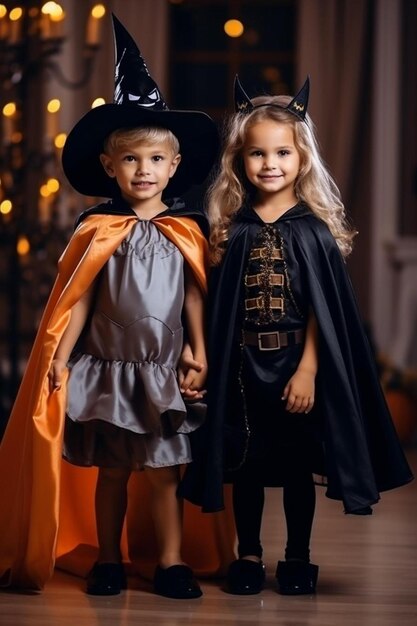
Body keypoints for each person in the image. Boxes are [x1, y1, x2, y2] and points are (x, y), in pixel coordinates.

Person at [0, 15, 237, 598]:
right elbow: (77, 298)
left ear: (174, 166)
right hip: (107, 369)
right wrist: (60, 354)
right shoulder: (96, 228)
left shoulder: (188, 229)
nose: (143, 171)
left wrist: (199, 351)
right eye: (130, 161)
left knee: (163, 472)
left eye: (155, 161)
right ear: (110, 166)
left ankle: (172, 562)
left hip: (161, 371)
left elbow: (192, 295)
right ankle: (109, 558)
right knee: (112, 472)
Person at [179, 76, 413, 596]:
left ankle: (298, 558)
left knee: (293, 468)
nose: (270, 164)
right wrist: (205, 360)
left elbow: (323, 314)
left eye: (282, 152)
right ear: (241, 160)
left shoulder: (314, 232)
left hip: (294, 367)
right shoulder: (230, 230)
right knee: (246, 463)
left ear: (301, 158)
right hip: (241, 369)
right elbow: (214, 308)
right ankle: (248, 554)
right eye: (258, 154)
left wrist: (308, 368)